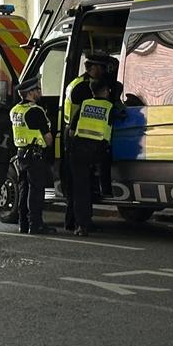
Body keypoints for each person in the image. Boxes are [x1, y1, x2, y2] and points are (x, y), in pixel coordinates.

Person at [62, 52, 112, 230]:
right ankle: (79, 222)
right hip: (77, 140)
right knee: (80, 186)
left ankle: (74, 222)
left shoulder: (78, 84)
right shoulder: (83, 88)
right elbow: (79, 117)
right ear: (93, 67)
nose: (105, 71)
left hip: (77, 140)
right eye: (103, 68)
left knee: (78, 184)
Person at [10, 76, 56, 235]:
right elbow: (48, 138)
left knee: (24, 189)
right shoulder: (35, 110)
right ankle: (35, 224)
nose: (40, 92)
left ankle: (23, 224)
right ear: (30, 92)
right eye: (38, 90)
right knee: (36, 191)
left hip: (21, 154)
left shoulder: (15, 110)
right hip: (35, 155)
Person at [69, 78, 114, 236]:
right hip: (97, 152)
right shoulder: (109, 107)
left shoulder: (84, 104)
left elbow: (71, 130)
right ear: (105, 91)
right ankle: (106, 189)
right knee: (89, 187)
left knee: (81, 190)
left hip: (79, 150)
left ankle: (82, 225)